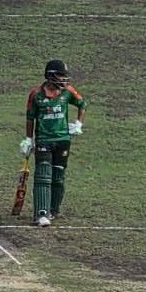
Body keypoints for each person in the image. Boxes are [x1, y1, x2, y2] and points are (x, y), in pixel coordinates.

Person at [19, 60, 86, 227]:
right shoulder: (36, 94)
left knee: (58, 177)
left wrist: (78, 124)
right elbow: (30, 118)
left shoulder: (67, 92)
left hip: (63, 140)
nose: (64, 79)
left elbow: (82, 104)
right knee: (43, 176)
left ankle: (53, 210)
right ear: (50, 75)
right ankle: (41, 213)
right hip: (44, 140)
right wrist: (28, 139)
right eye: (60, 75)